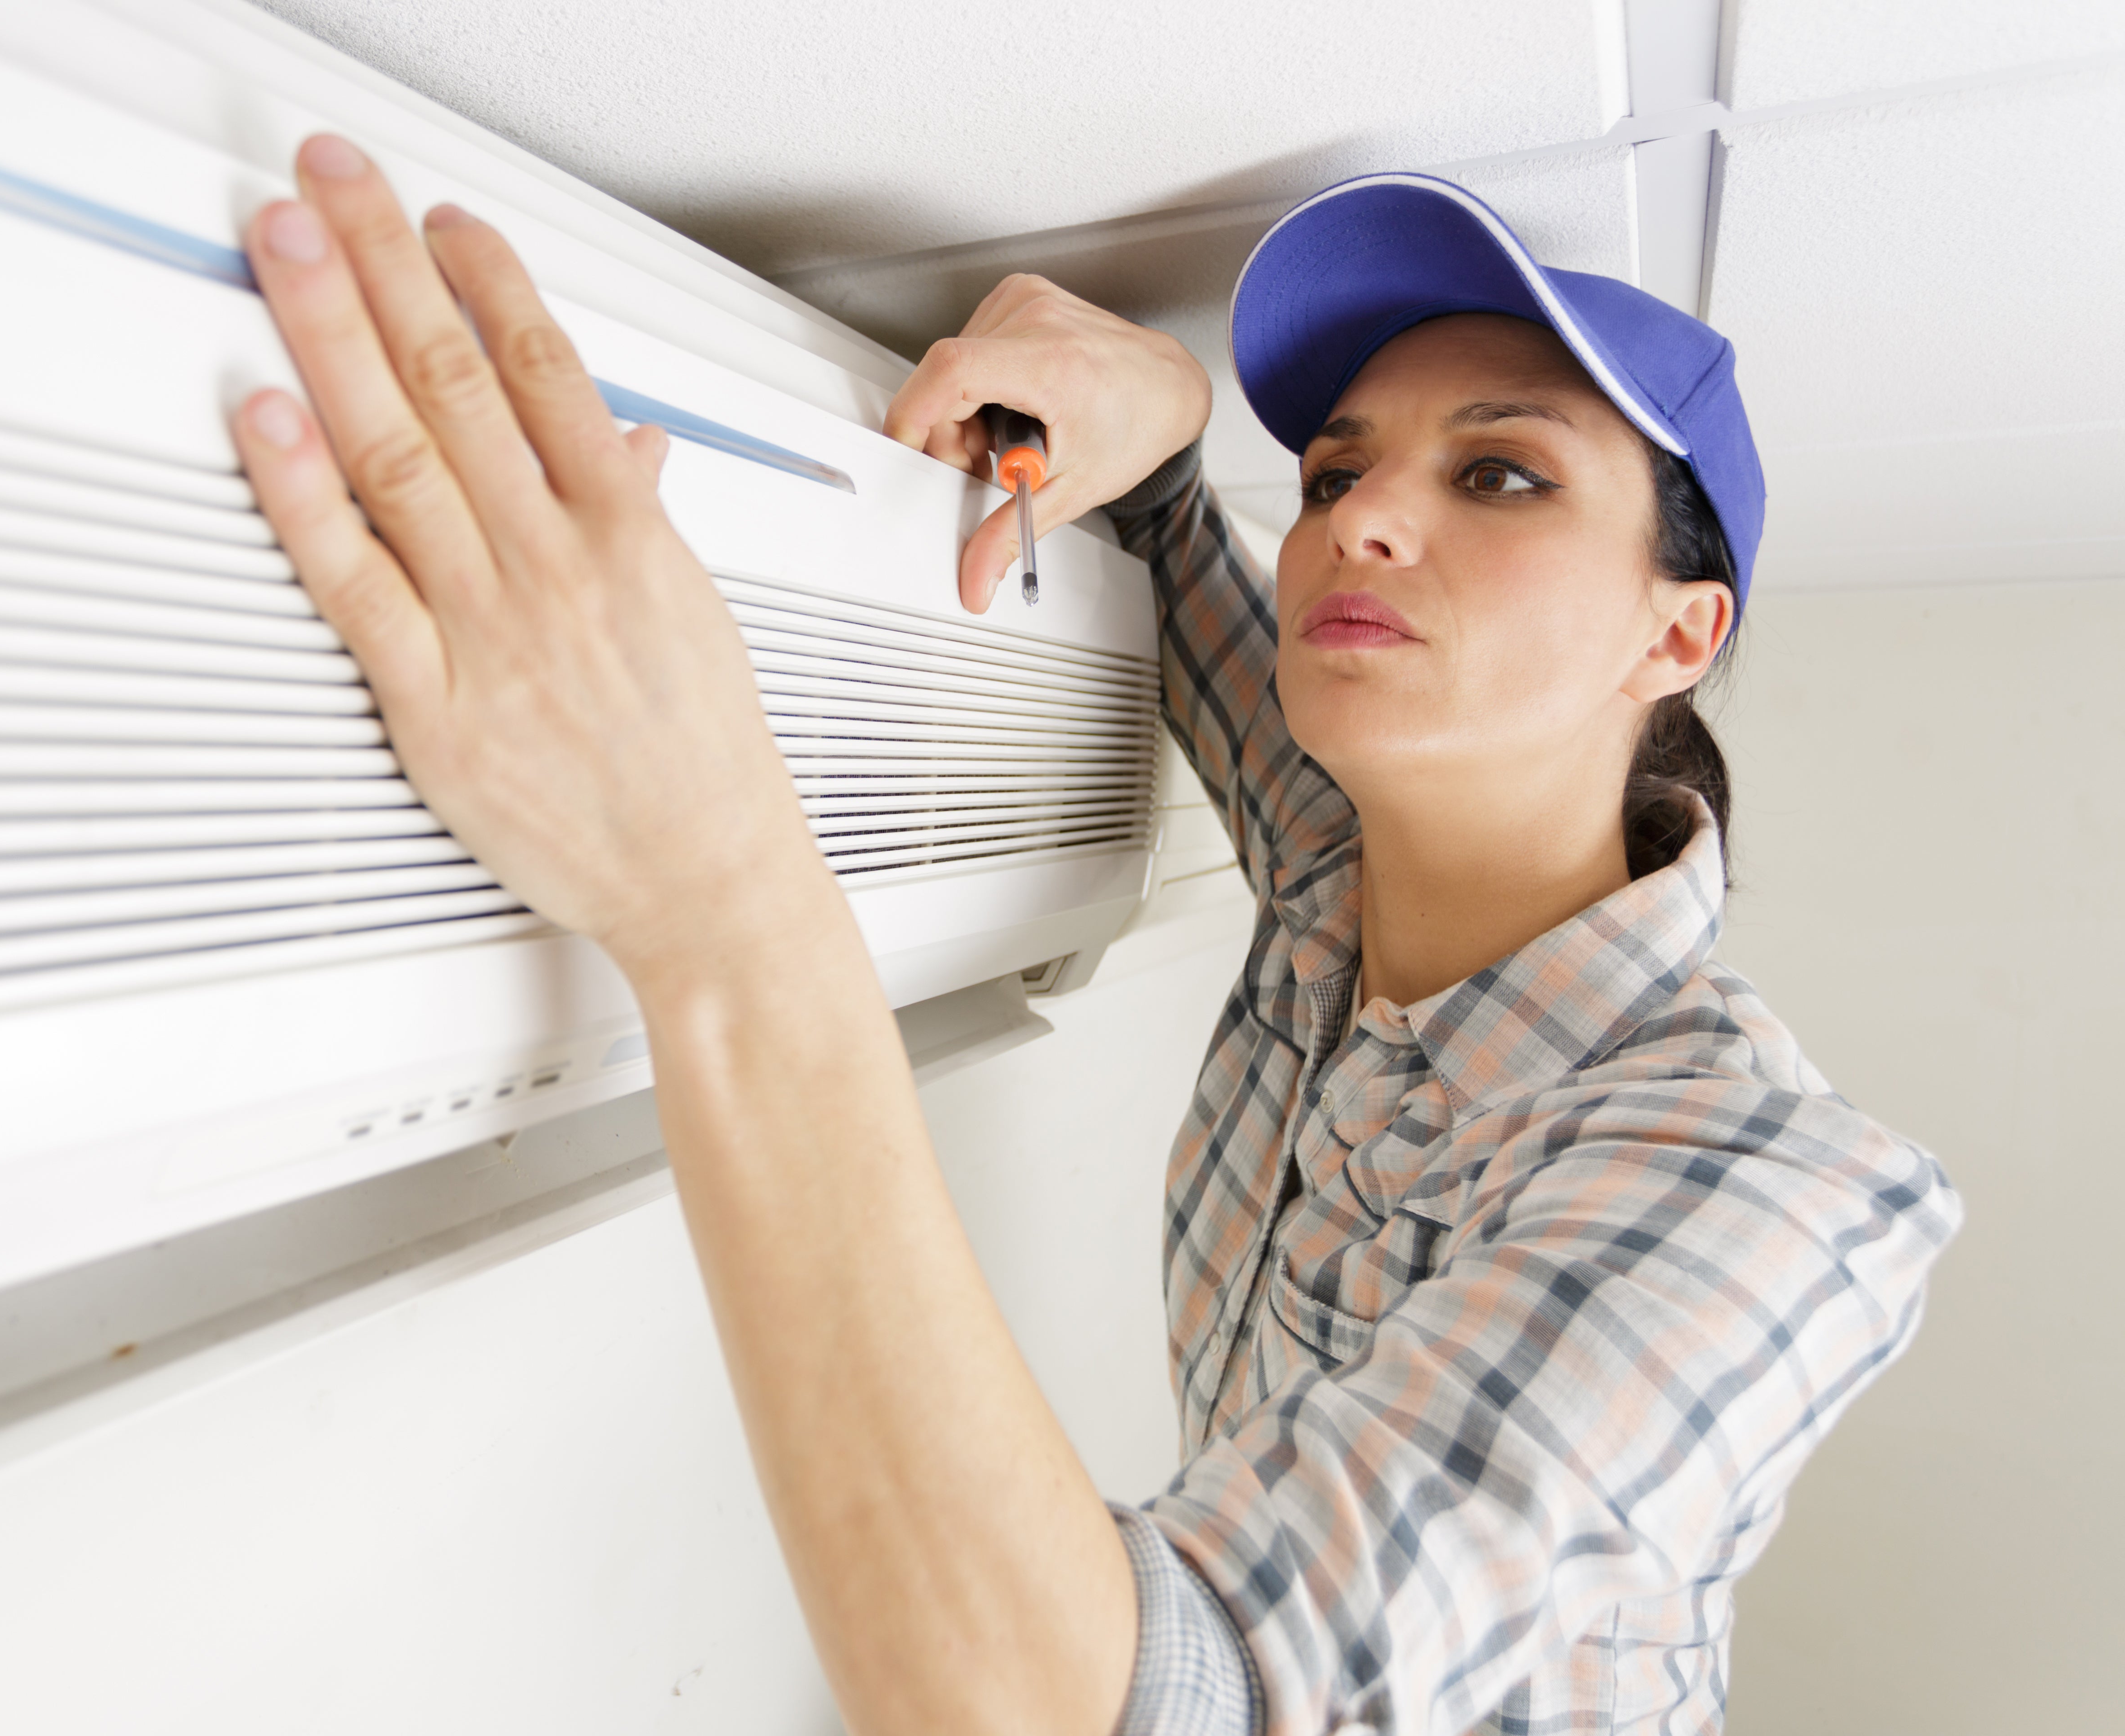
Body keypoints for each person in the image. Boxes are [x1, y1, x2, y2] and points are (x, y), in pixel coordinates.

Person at [228, 134, 1959, 1736]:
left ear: (1681, 632)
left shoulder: (1773, 1187)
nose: (1356, 514)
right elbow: (1170, 526)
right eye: (1341, 461)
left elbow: (1155, 1705)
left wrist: (717, 901)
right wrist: (1169, 397)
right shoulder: (1336, 877)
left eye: (1500, 475)